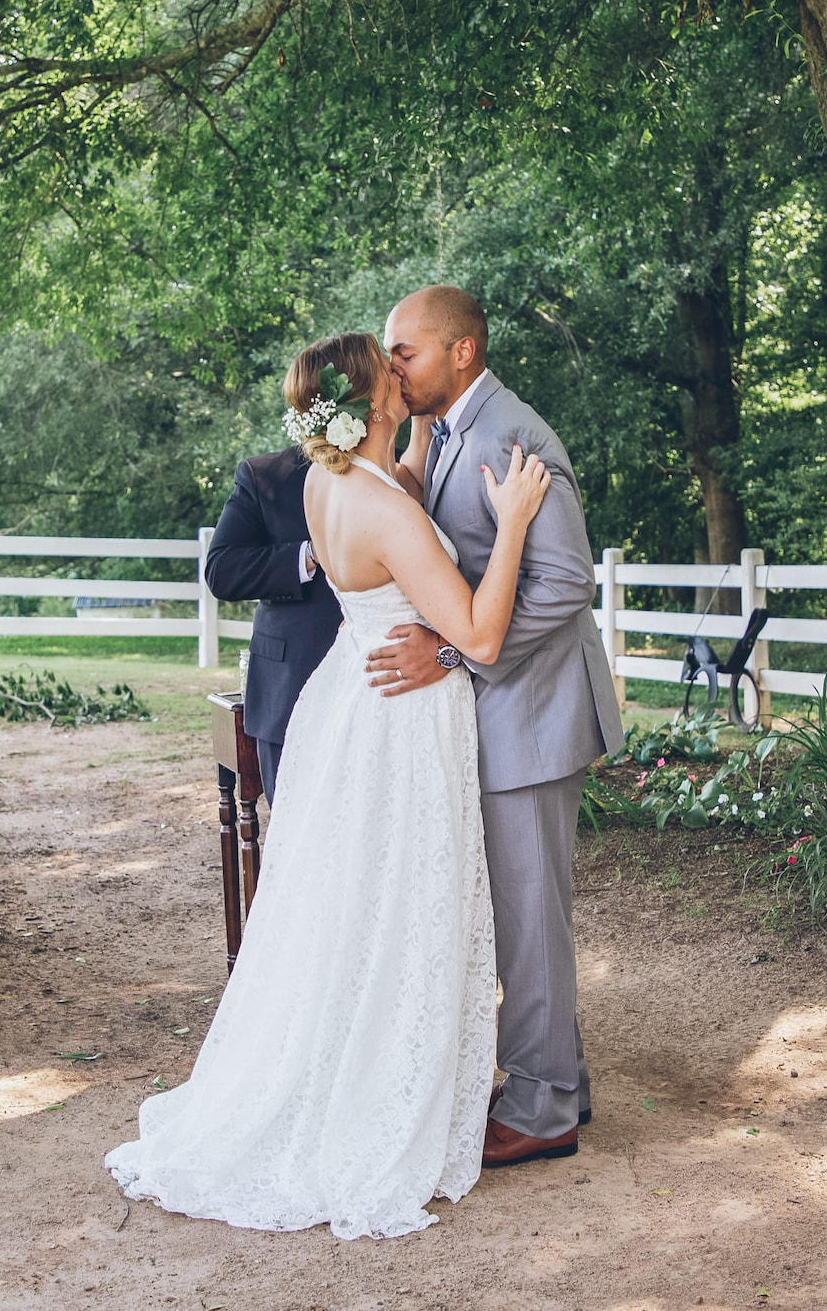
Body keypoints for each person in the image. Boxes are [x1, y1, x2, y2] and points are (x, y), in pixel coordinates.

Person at [107, 330, 555, 1239]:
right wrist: (510, 525)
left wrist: (419, 454)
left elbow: (400, 499)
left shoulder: (332, 481)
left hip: (355, 696)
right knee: (399, 904)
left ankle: (357, 1060)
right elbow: (475, 635)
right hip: (399, 719)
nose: (404, 369)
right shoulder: (382, 507)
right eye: (391, 369)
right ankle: (377, 1093)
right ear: (371, 402)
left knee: (355, 907)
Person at [370, 286, 624, 1165]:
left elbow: (563, 582)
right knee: (523, 912)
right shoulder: (445, 431)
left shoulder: (514, 435)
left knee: (530, 918)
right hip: (508, 710)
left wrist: (452, 652)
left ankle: (542, 1110)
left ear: (463, 351)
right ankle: (564, 1084)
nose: (392, 364)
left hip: (538, 710)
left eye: (406, 350)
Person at [203, 445, 343, 801]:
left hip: (382, 682)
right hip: (288, 690)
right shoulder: (264, 475)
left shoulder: (404, 466)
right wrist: (309, 555)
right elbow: (222, 570)